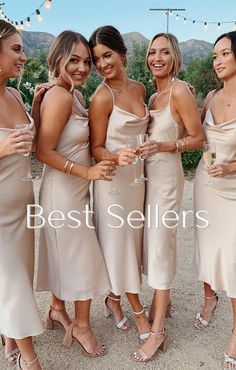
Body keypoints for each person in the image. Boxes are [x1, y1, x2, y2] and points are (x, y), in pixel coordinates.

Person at [36, 30, 113, 357]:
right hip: (62, 192)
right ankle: (81, 324)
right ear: (58, 59)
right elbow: (43, 151)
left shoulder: (74, 95)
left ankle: (56, 308)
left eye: (86, 61)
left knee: (64, 254)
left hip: (75, 191)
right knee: (83, 256)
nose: (83, 68)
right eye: (74, 61)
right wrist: (87, 172)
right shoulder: (61, 96)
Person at [133, 32, 205, 362]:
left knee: (161, 247)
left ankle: (159, 330)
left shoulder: (179, 92)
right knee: (153, 245)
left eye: (164, 52)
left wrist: (164, 145)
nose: (156, 57)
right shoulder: (151, 97)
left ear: (175, 56)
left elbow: (197, 138)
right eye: (152, 52)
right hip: (148, 179)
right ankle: (167, 301)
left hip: (167, 181)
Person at [88, 25, 150, 340]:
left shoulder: (140, 88)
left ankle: (114, 300)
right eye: (96, 59)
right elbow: (95, 148)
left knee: (131, 247)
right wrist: (114, 156)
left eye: (107, 55)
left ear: (122, 54)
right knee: (121, 248)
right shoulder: (101, 97)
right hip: (112, 183)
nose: (101, 64)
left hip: (137, 183)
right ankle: (139, 314)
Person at [0, 19, 44, 370]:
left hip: (24, 208)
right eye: (16, 49)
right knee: (12, 282)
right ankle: (29, 360)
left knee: (20, 280)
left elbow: (31, 141)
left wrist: (40, 105)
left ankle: (10, 339)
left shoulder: (14, 94)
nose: (24, 56)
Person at [193, 31, 236, 369]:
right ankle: (209, 299)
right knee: (206, 246)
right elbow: (202, 143)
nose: (218, 61)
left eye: (224, 54)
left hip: (234, 190)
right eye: (215, 56)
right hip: (207, 186)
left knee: (233, 259)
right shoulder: (209, 98)